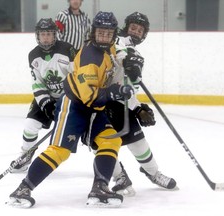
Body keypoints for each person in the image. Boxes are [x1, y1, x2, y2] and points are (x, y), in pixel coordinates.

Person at [7, 11, 134, 208]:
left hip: (93, 108)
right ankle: (23, 189)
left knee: (111, 138)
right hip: (74, 105)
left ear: (112, 35)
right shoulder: (90, 59)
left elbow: (119, 51)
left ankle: (100, 187)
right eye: (100, 33)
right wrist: (116, 91)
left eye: (108, 34)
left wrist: (128, 61)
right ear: (93, 33)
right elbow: (89, 96)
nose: (104, 37)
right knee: (60, 151)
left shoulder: (108, 48)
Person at [94, 12, 177, 195]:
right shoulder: (117, 40)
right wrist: (127, 59)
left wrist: (137, 107)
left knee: (139, 142)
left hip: (121, 104)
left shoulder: (136, 52)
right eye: (133, 28)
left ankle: (153, 173)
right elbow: (115, 51)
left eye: (140, 30)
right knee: (105, 144)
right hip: (101, 101)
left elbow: (130, 86)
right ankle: (120, 177)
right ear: (126, 27)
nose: (136, 32)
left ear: (144, 34)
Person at [9, 18, 76, 173]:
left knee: (89, 133)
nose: (46, 37)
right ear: (37, 36)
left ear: (55, 35)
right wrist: (46, 103)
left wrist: (71, 99)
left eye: (49, 34)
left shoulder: (67, 49)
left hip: (69, 99)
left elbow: (77, 76)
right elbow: (37, 83)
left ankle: (111, 165)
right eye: (43, 34)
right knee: (30, 126)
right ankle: (25, 155)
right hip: (47, 98)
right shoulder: (33, 55)